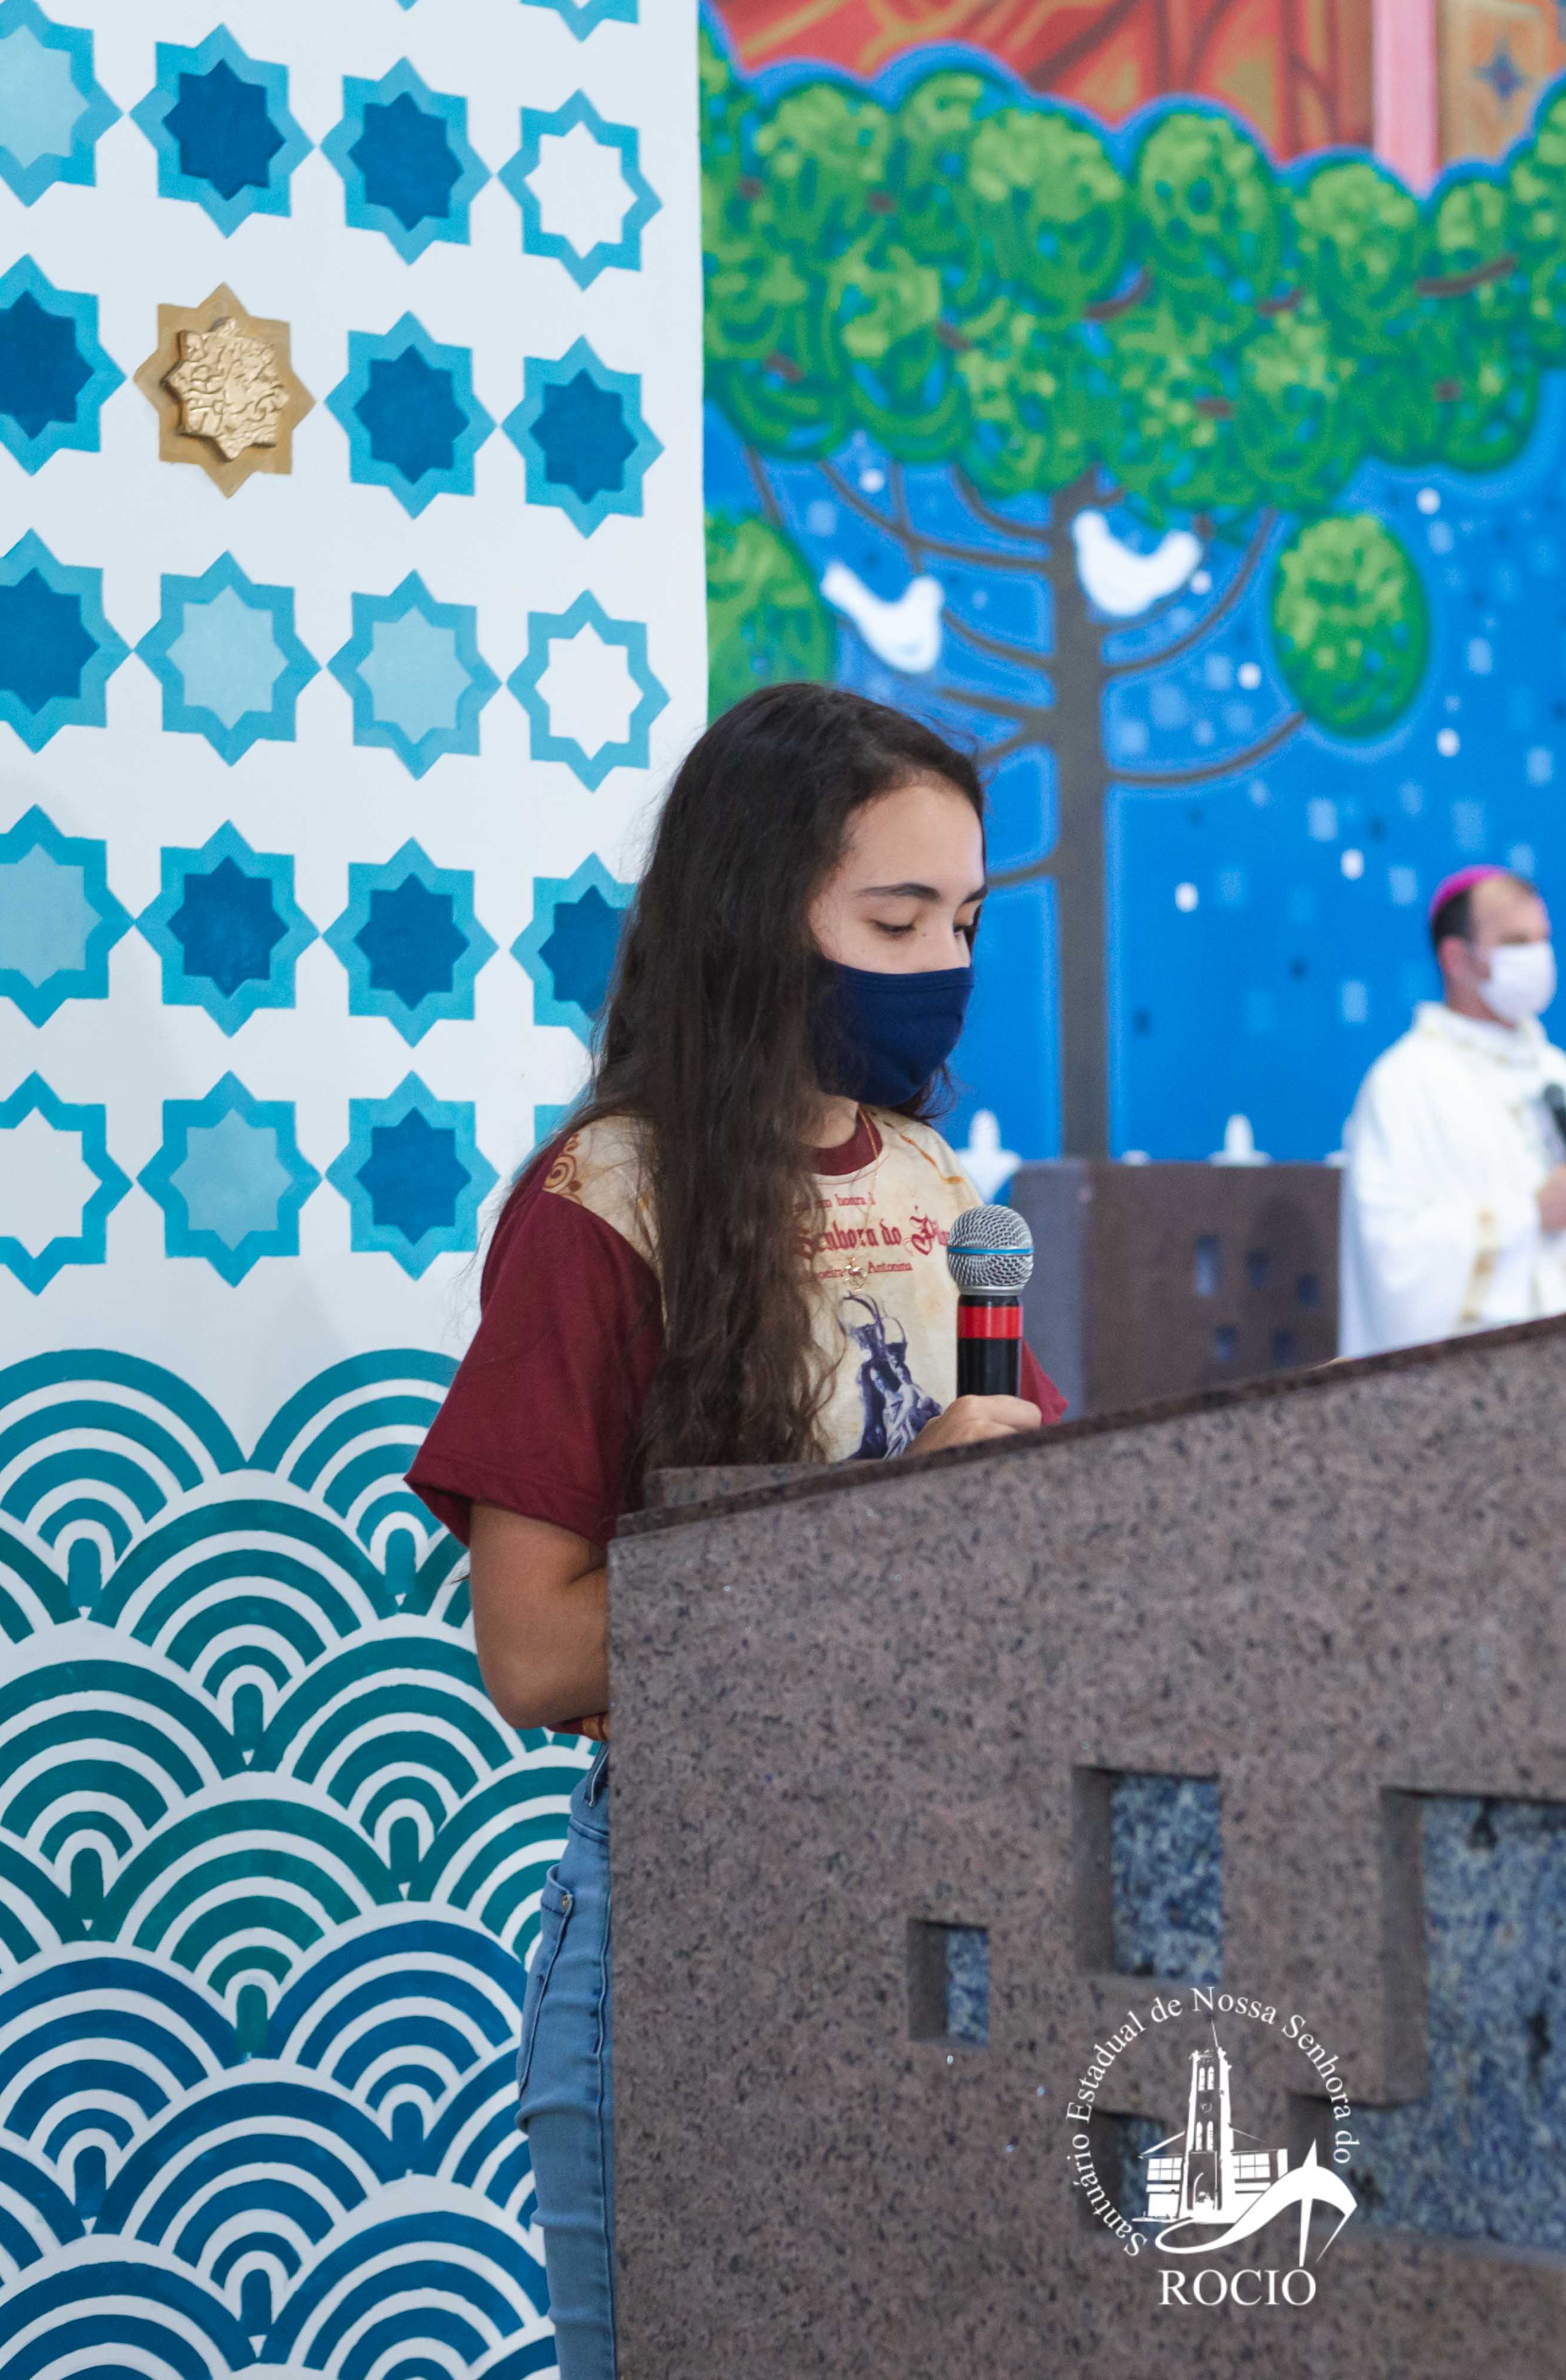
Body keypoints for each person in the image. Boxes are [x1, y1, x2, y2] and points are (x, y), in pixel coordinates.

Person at [404, 683, 1065, 2379]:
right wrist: (879, 1534)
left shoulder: (939, 1193)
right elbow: (532, 1647)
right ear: (752, 916)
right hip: (692, 1914)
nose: (941, 966)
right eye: (894, 922)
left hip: (935, 1900)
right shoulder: (602, 1206)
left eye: (965, 923)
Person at [1338, 865, 1566, 1355]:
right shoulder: (1405, 1084)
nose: (1538, 957)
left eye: (1543, 940)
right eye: (1516, 942)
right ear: (1456, 958)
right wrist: (1536, 1215)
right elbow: (1394, 1262)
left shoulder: (1557, 1073)